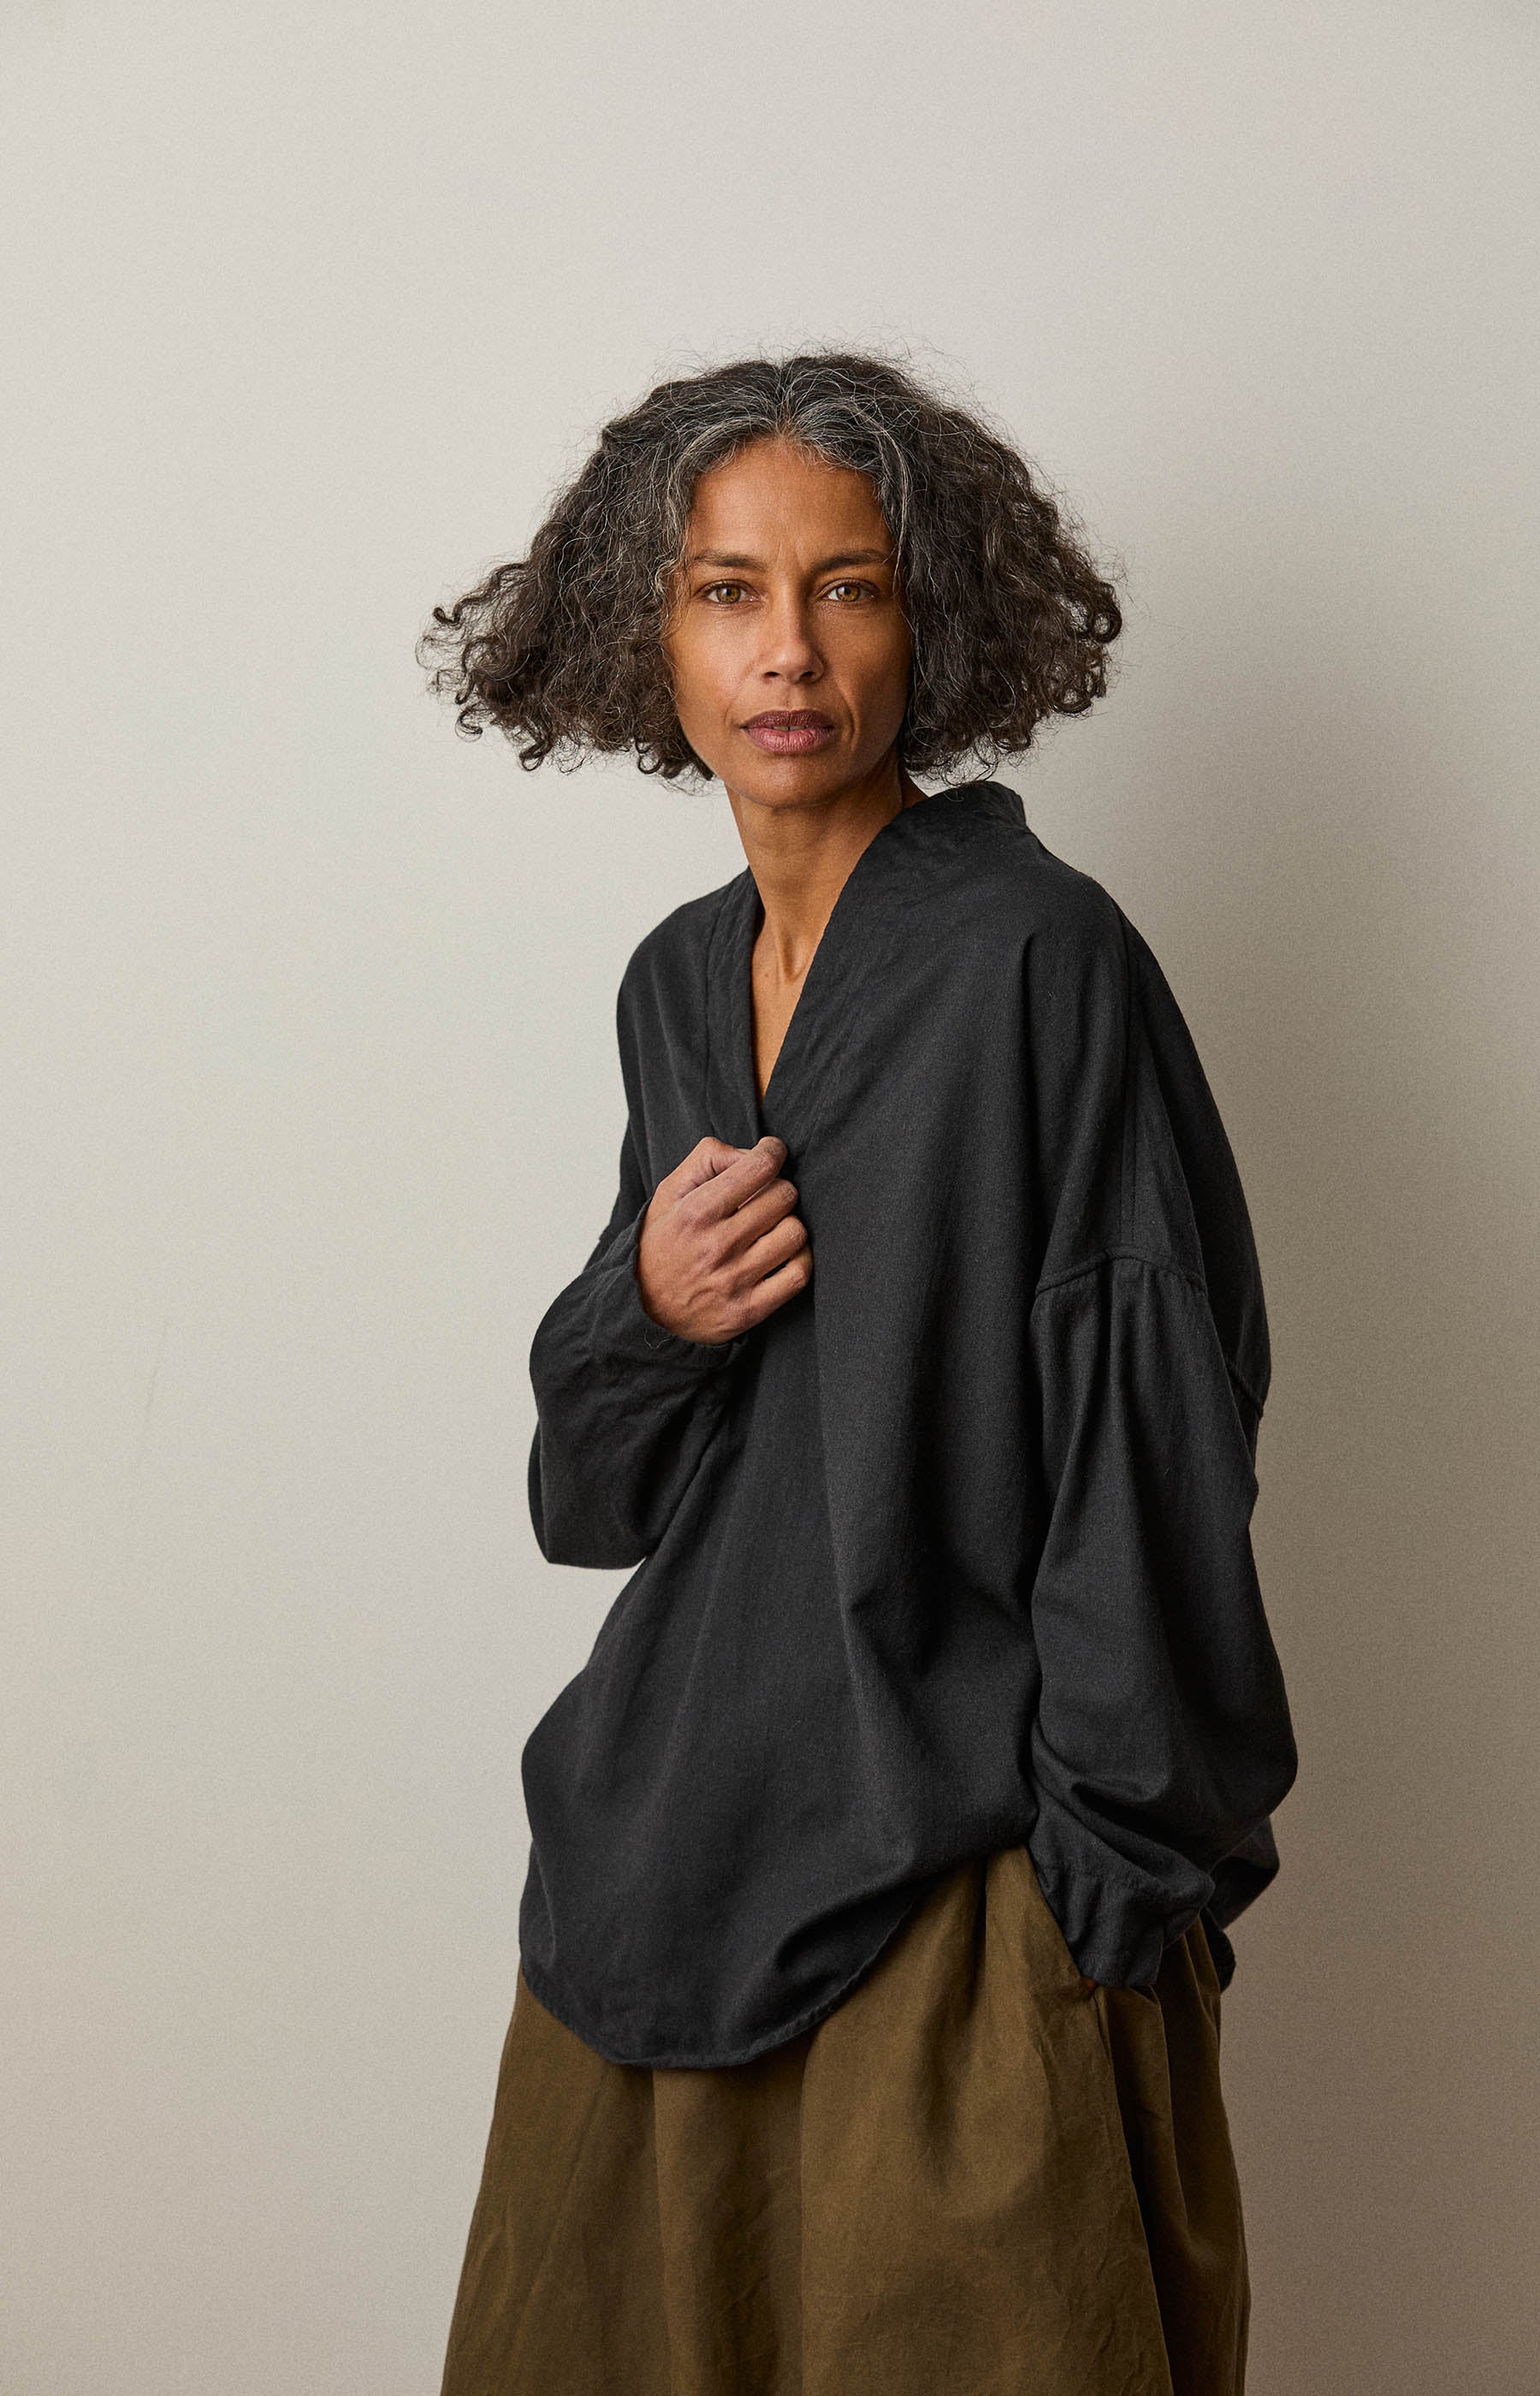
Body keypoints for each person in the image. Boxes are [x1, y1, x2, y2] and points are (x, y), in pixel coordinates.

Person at [418, 350, 1298, 2395]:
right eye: (727, 591)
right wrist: (651, 1302)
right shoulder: (675, 984)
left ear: (936, 621)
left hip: (964, 1899)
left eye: (851, 587)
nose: (788, 653)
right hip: (652, 1876)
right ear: (645, 631)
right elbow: (597, 1495)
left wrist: (1101, 1906)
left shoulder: (1036, 959)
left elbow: (1156, 1433)